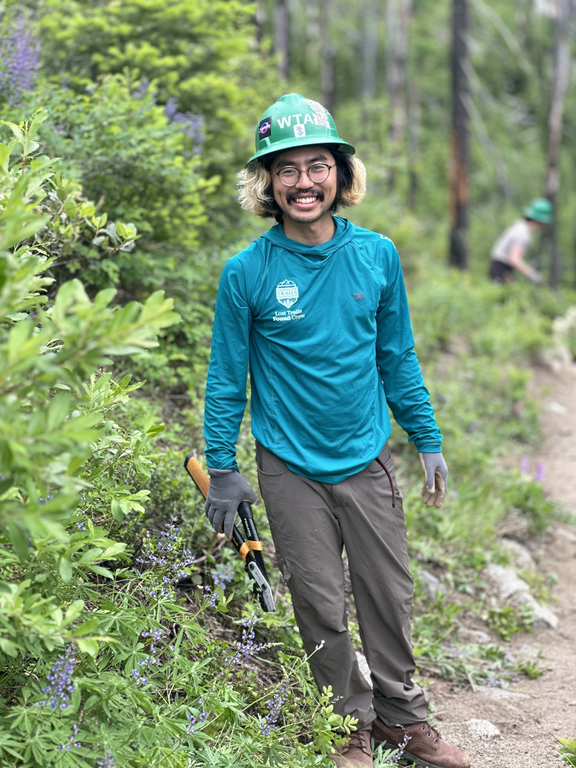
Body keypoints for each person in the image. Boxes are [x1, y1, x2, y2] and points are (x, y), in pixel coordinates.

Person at [202, 93, 469, 768]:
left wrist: (427, 438)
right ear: (267, 183)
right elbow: (227, 376)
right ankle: (345, 724)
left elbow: (397, 357)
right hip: (289, 467)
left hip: (365, 458)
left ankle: (403, 722)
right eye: (286, 169)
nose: (303, 182)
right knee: (319, 603)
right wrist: (221, 466)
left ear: (341, 174)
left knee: (389, 596)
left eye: (317, 165)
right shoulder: (248, 272)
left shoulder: (376, 256)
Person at [489, 198, 553, 284]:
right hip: (502, 268)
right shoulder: (523, 234)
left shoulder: (520, 225)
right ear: (540, 220)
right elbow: (514, 259)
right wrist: (534, 276)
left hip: (499, 266)